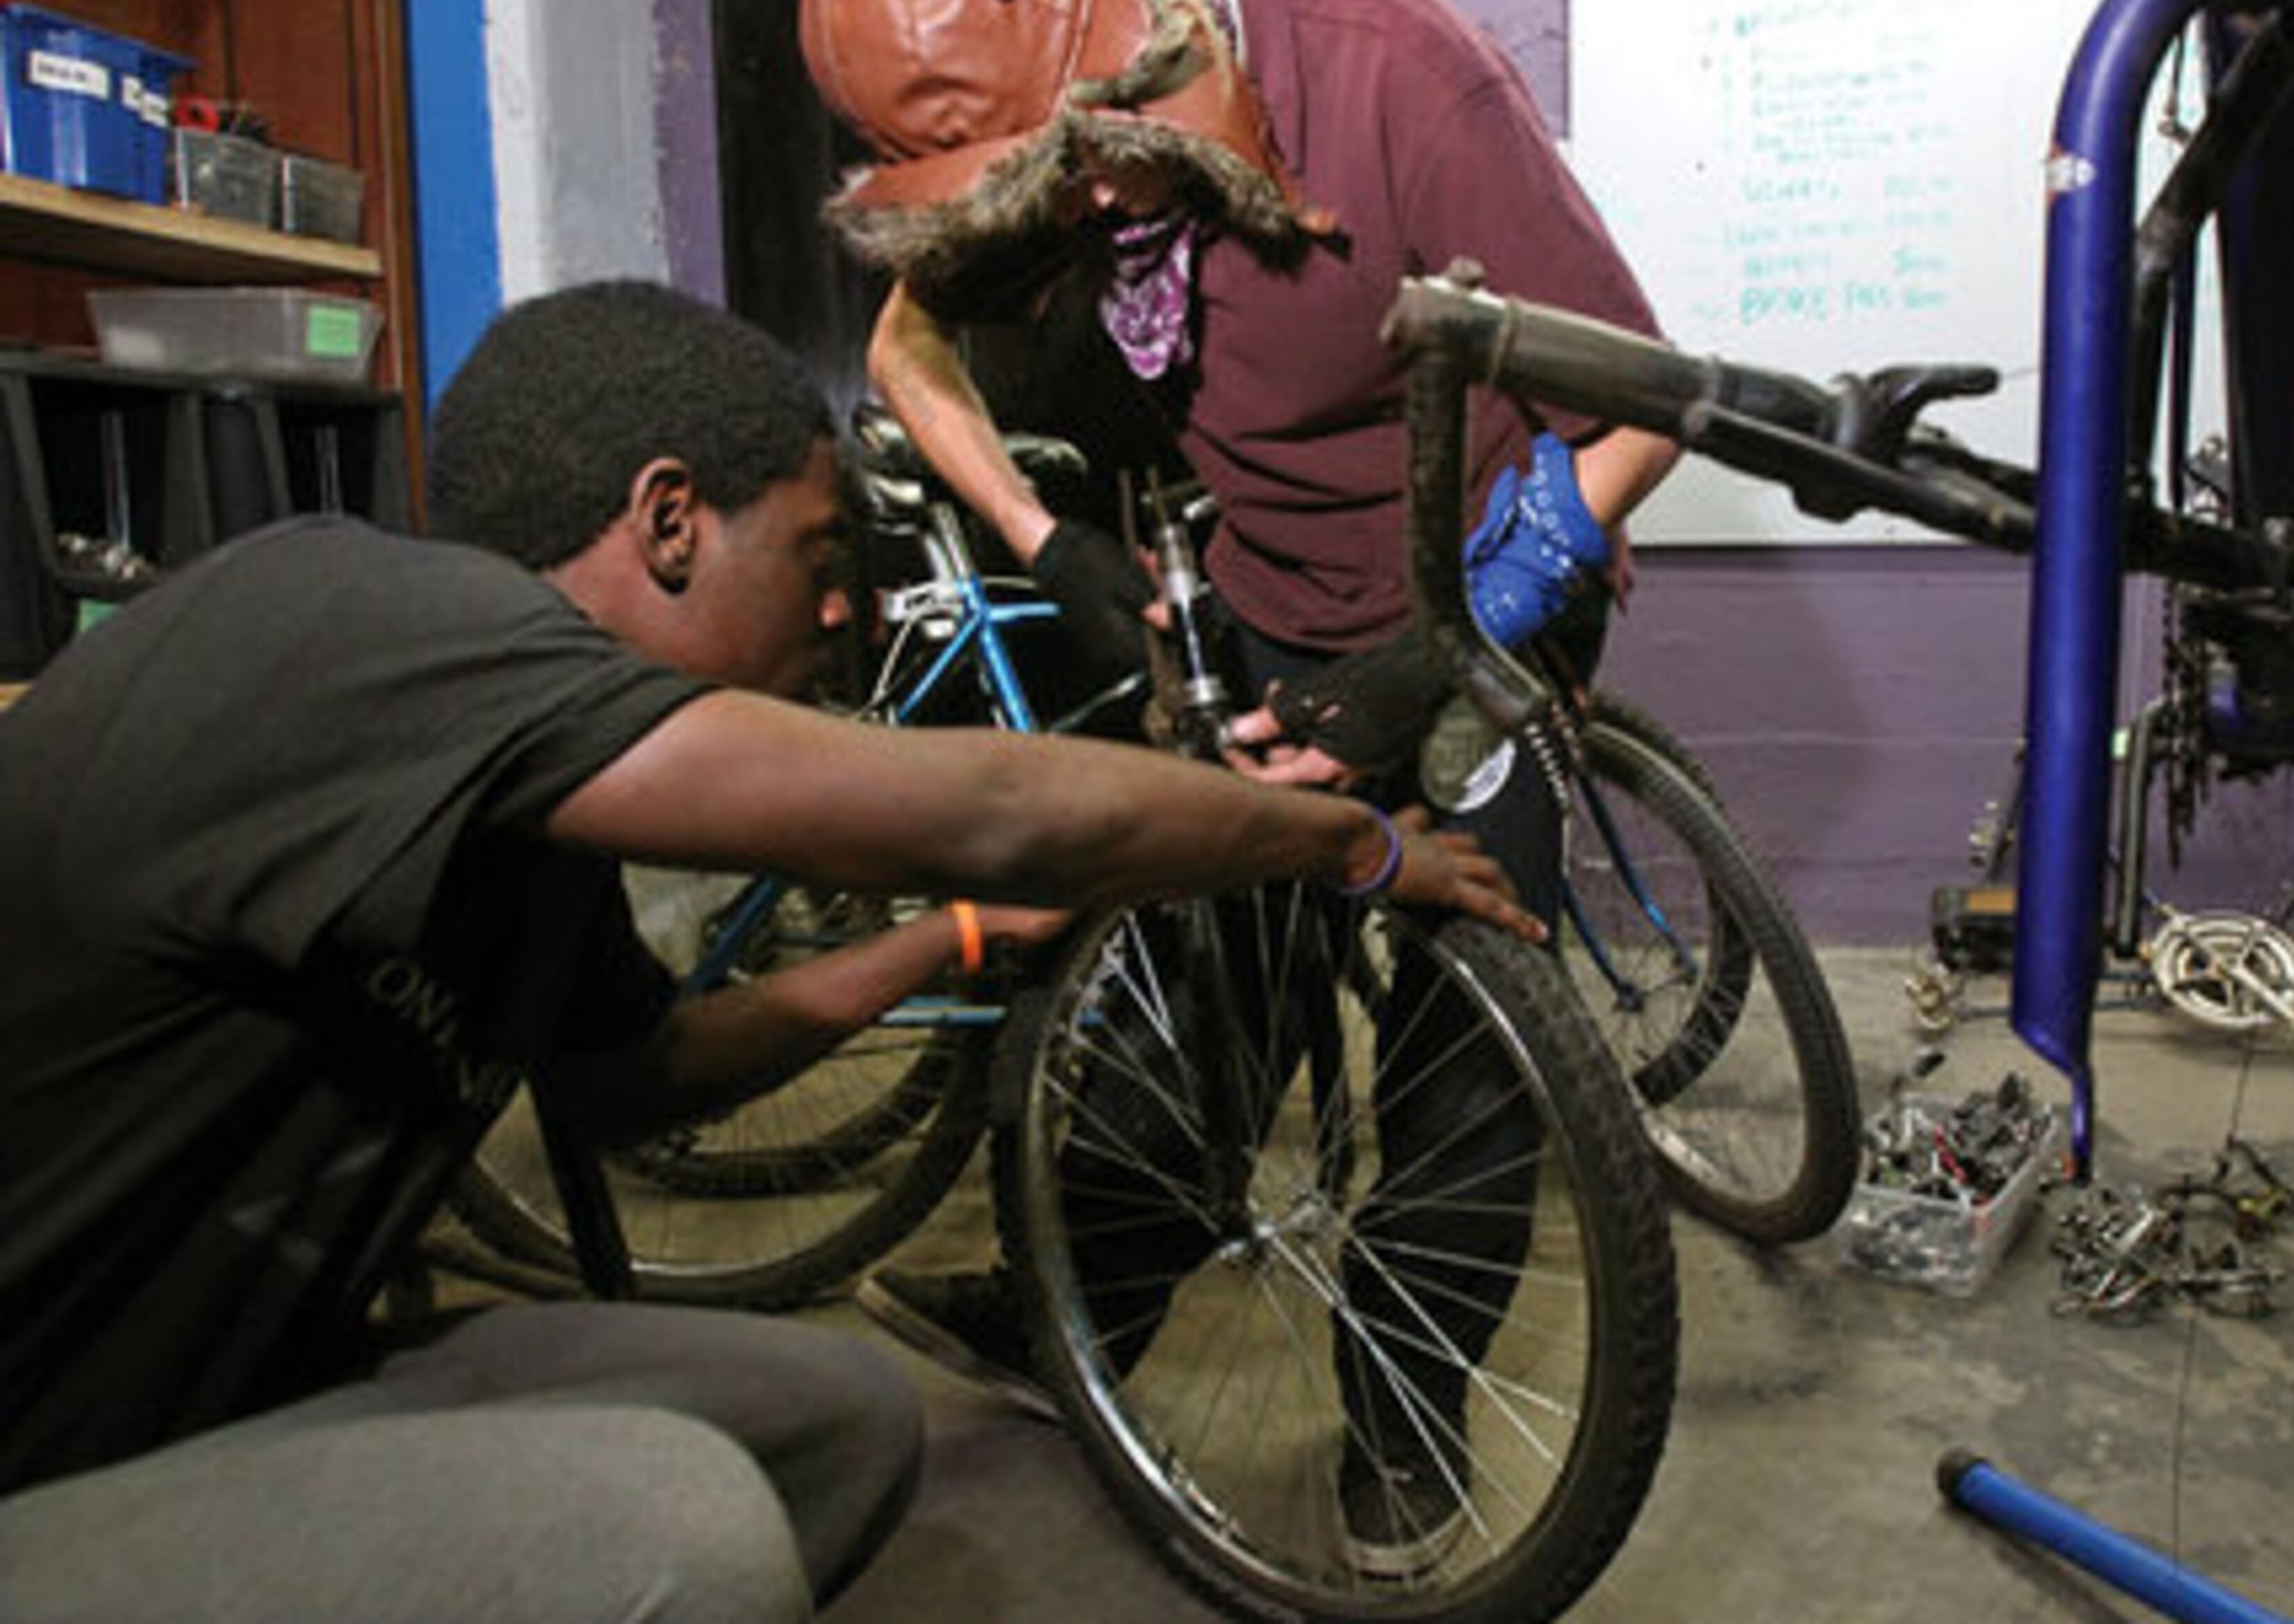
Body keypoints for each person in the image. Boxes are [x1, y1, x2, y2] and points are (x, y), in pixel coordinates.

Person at [0, 278, 1541, 1624]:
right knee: (694, 1541)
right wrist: (1350, 842)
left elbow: (630, 1081)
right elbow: (996, 809)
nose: (840, 606)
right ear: (671, 520)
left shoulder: (520, 810)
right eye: (815, 547)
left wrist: (942, 942)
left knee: (832, 1426)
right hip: (45, 1477)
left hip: (230, 1391)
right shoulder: (354, 617)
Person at [793, 0, 1680, 1573]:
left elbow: (1644, 403)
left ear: (1141, 26)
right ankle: (1086, 1305)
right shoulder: (1043, 162)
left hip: (1478, 586)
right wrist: (1053, 547)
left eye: (1103, 165)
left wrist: (1442, 652)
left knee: (1459, 1043)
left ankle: (1409, 1418)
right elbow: (909, 356)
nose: (1096, 212)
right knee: (1206, 977)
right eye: (1050, 187)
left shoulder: (1389, 64)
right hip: (1257, 610)